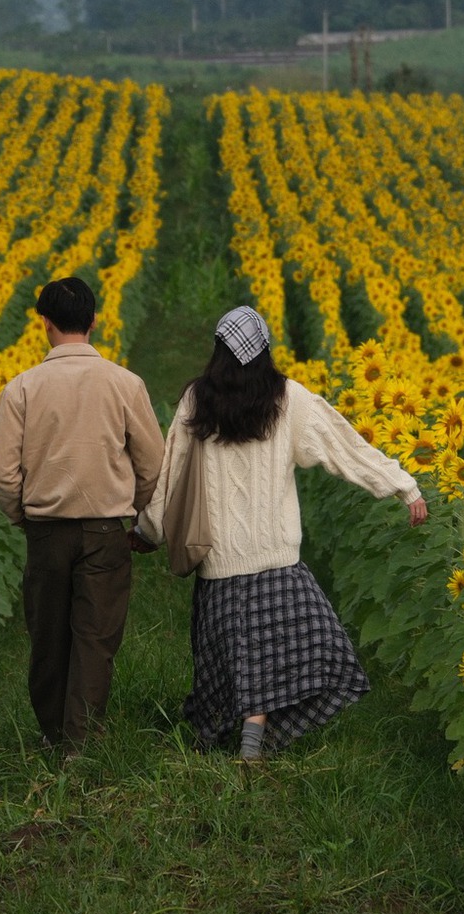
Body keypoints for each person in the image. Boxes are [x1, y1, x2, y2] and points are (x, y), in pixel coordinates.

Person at [132, 306, 427, 760]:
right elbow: (344, 446)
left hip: (219, 562)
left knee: (235, 660)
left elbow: (171, 474)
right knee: (300, 652)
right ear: (265, 351)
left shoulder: (197, 400)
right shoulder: (289, 399)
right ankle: (256, 740)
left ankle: (244, 737)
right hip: (277, 559)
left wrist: (147, 530)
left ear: (217, 351)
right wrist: (402, 484)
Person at [0, 276, 163, 749]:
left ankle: (51, 733)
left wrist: (21, 515)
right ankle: (80, 743)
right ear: (94, 321)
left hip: (45, 531)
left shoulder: (21, 389)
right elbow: (152, 463)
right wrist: (140, 515)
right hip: (106, 531)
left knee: (48, 637)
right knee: (95, 638)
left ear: (44, 323)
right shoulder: (126, 384)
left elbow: (0, 471)